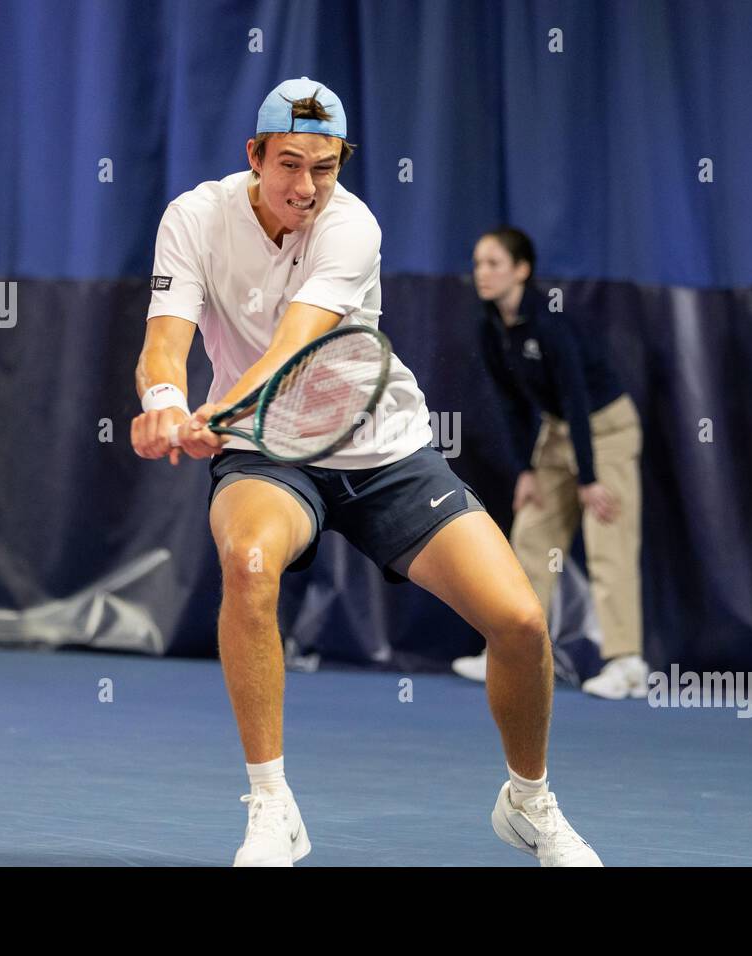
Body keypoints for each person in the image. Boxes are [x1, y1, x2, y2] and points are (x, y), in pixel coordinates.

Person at [129, 79, 601, 866]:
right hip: (266, 455)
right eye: (288, 164)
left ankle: (528, 801)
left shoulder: (352, 227)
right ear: (253, 156)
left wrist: (207, 417)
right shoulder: (194, 217)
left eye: (325, 166)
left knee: (519, 624)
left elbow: (289, 351)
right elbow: (163, 344)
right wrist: (167, 401)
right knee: (248, 565)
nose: (306, 187)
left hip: (383, 450)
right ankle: (272, 807)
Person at [451, 228, 648, 700]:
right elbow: (512, 403)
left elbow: (576, 397)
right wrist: (525, 469)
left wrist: (590, 477)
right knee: (531, 535)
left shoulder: (550, 319)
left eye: (494, 263)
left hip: (605, 429)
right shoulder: (489, 325)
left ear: (522, 270)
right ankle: (512, 653)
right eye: (478, 263)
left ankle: (628, 664)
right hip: (557, 434)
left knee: (609, 541)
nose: (483, 273)